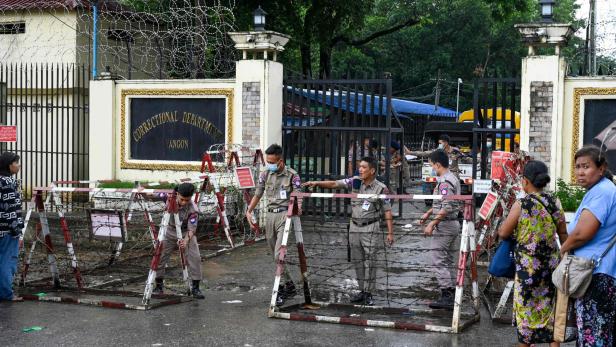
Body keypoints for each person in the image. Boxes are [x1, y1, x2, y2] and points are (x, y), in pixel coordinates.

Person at [303, 156, 394, 306]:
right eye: (360, 166)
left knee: (371, 260)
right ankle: (361, 290)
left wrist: (390, 233)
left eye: (364, 167)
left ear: (372, 170)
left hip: (370, 226)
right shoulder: (355, 182)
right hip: (354, 226)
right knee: (358, 259)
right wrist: (317, 183)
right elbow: (334, 184)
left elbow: (388, 211)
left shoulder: (381, 188)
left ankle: (369, 292)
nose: (360, 169)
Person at [497, 160, 568, 347]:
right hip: (551, 266)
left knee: (526, 309)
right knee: (549, 308)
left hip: (527, 269)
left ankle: (526, 343)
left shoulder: (522, 204)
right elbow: (563, 234)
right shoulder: (555, 202)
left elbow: (503, 233)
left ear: (525, 181)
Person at [560, 145, 616, 347]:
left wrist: (563, 248)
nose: (580, 172)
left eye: (586, 166)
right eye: (577, 167)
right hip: (600, 273)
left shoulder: (602, 192)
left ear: (601, 169)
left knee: (594, 337)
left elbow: (583, 233)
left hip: (595, 275)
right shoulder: (601, 190)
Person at [246, 143, 302, 306]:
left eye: (272, 161)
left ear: (280, 161)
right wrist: (249, 211)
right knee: (274, 255)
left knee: (279, 254)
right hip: (270, 215)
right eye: (267, 161)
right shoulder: (265, 174)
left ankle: (280, 289)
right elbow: (258, 194)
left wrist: (299, 208)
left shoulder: (292, 175)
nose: (269, 164)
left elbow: (298, 194)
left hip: (285, 214)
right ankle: (289, 284)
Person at [419, 150, 461, 310]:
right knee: (447, 260)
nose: (432, 169)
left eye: (431, 165)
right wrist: (428, 213)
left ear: (437, 164)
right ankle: (450, 293)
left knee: (437, 259)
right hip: (449, 224)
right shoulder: (449, 178)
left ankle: (447, 295)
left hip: (445, 225)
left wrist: (432, 223)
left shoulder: (445, 182)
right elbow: (442, 202)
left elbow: (447, 206)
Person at [153, 183, 204, 299]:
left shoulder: (193, 209)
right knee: (160, 256)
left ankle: (195, 287)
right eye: (182, 199)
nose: (184, 202)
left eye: (187, 200)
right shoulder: (168, 197)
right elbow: (154, 194)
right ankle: (159, 286)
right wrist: (142, 191)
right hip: (169, 230)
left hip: (186, 232)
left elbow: (192, 229)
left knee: (194, 257)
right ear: (177, 194)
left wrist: (185, 241)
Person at [0, 152, 23, 302]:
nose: (19, 165)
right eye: (16, 163)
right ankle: (6, 293)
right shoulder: (7, 181)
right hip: (8, 229)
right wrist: (16, 229)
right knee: (7, 261)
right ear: (9, 165)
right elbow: (10, 208)